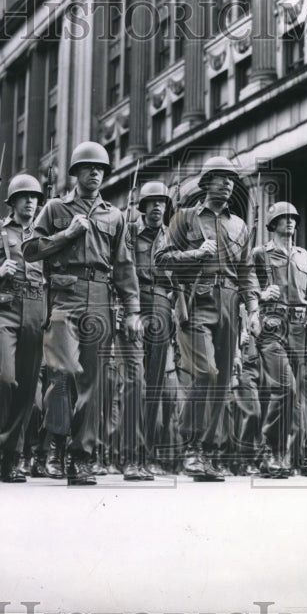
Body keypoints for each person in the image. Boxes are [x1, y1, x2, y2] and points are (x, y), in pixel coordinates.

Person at [23, 142, 142, 486]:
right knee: (60, 371)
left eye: (100, 168)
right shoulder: (55, 209)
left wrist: (132, 310)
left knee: (94, 381)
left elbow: (124, 266)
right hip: (64, 294)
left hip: (101, 295)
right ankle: (57, 439)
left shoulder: (114, 215)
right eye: (88, 167)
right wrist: (67, 233)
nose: (95, 173)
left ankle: (81, 457)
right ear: (75, 172)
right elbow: (30, 249)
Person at [155, 156, 260, 482]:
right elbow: (160, 260)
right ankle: (190, 446)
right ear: (205, 183)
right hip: (196, 301)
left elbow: (247, 272)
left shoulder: (239, 225)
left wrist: (254, 308)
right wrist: (197, 254)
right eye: (219, 177)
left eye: (230, 179)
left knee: (222, 380)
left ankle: (207, 452)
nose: (227, 183)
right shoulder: (184, 218)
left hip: (230, 303)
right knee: (206, 371)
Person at [0, 174, 48, 483]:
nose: (30, 202)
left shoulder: (45, 233)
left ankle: (11, 456)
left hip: (35, 310)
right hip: (4, 309)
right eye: (24, 197)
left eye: (34, 197)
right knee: (3, 378)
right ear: (12, 202)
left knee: (27, 387)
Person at [250, 202, 307, 477]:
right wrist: (259, 295)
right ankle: (269, 452)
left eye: (293, 217)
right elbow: (246, 285)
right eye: (284, 218)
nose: (291, 221)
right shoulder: (260, 254)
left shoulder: (304, 255)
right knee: (286, 388)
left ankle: (296, 457)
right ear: (272, 224)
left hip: (300, 330)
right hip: (272, 328)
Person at [131, 181, 176, 477]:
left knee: (156, 385)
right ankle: (128, 453)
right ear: (143, 207)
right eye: (152, 202)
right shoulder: (129, 237)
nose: (157, 206)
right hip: (135, 303)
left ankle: (145, 455)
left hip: (162, 303)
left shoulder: (172, 239)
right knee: (133, 382)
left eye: (162, 202)